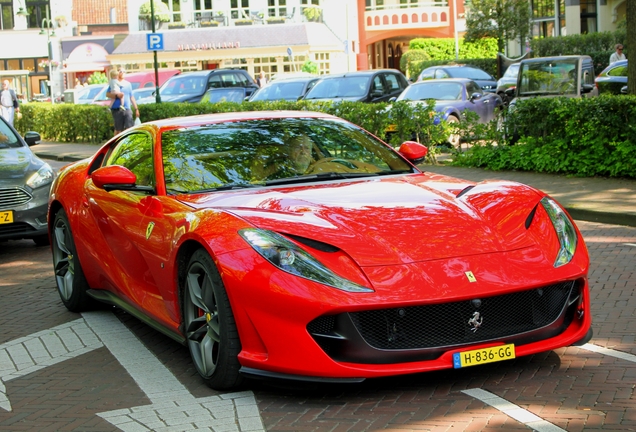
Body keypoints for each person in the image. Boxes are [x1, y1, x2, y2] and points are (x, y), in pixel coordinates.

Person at [106, 69, 140, 135]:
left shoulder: (128, 84)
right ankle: (115, 144)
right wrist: (116, 95)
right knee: (118, 129)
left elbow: (131, 97)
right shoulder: (114, 82)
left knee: (129, 128)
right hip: (117, 109)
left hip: (127, 108)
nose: (123, 73)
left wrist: (136, 109)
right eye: (121, 71)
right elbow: (107, 94)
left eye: (124, 71)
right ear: (117, 73)